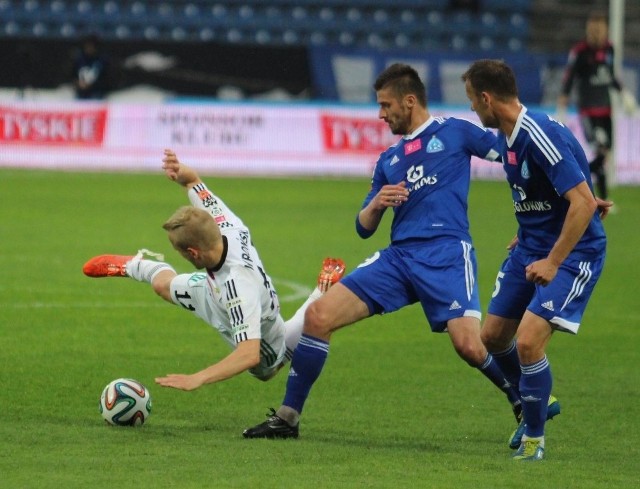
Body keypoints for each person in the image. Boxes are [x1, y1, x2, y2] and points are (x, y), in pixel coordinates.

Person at [242, 63, 523, 440]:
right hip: (398, 258)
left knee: (470, 347)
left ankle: (521, 397)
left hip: (446, 254)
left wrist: (533, 222)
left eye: (386, 105)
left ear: (410, 101)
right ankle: (288, 418)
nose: (380, 114)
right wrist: (377, 204)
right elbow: (362, 227)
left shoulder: (455, 131)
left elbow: (512, 156)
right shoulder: (389, 160)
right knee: (319, 315)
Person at [83, 149, 346, 390]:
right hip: (211, 289)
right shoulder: (226, 223)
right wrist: (181, 174)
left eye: (179, 252)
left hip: (258, 335)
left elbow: (249, 354)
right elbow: (194, 182)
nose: (180, 255)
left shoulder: (238, 288)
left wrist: (197, 378)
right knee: (163, 286)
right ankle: (132, 265)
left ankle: (321, 292)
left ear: (193, 253)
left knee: (268, 369)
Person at [462, 59, 607, 461]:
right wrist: (535, 225)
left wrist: (555, 259)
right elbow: (573, 186)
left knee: (527, 342)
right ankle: (537, 401)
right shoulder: (510, 136)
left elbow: (580, 201)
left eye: (473, 101)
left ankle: (534, 440)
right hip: (530, 245)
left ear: (488, 98)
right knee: (491, 337)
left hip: (573, 255)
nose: (473, 109)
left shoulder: (538, 134)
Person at [557, 11, 637, 201]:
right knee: (600, 151)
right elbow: (569, 77)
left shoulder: (609, 48)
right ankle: (573, 185)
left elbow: (609, 75)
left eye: (600, 30)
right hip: (588, 110)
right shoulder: (580, 51)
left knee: (604, 156)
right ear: (588, 30)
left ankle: (581, 189)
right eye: (593, 30)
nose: (597, 34)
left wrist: (624, 94)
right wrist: (563, 101)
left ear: (606, 30)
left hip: (606, 109)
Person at [72, 34, 110, 99]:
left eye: (91, 46)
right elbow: (72, 75)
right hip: (80, 94)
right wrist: (77, 83)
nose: (89, 49)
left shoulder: (102, 60)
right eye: (87, 46)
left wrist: (91, 85)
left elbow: (107, 79)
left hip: (97, 94)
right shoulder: (79, 59)